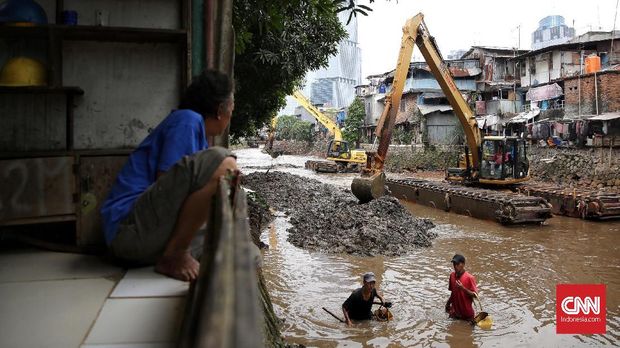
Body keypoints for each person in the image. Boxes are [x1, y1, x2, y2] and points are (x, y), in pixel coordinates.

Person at [100, 69, 237, 282]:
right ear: (221, 109)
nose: (232, 112)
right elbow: (168, 184)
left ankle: (176, 251)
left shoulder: (198, 133)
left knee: (243, 251)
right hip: (127, 230)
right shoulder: (187, 121)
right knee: (224, 162)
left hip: (143, 235)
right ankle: (175, 254)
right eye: (232, 106)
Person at [445, 254, 478, 322]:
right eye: (454, 264)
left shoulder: (469, 278)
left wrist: (463, 288)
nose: (455, 266)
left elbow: (475, 295)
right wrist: (447, 304)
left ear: (463, 264)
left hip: (467, 315)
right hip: (455, 313)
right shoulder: (452, 276)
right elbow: (453, 293)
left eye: (457, 264)